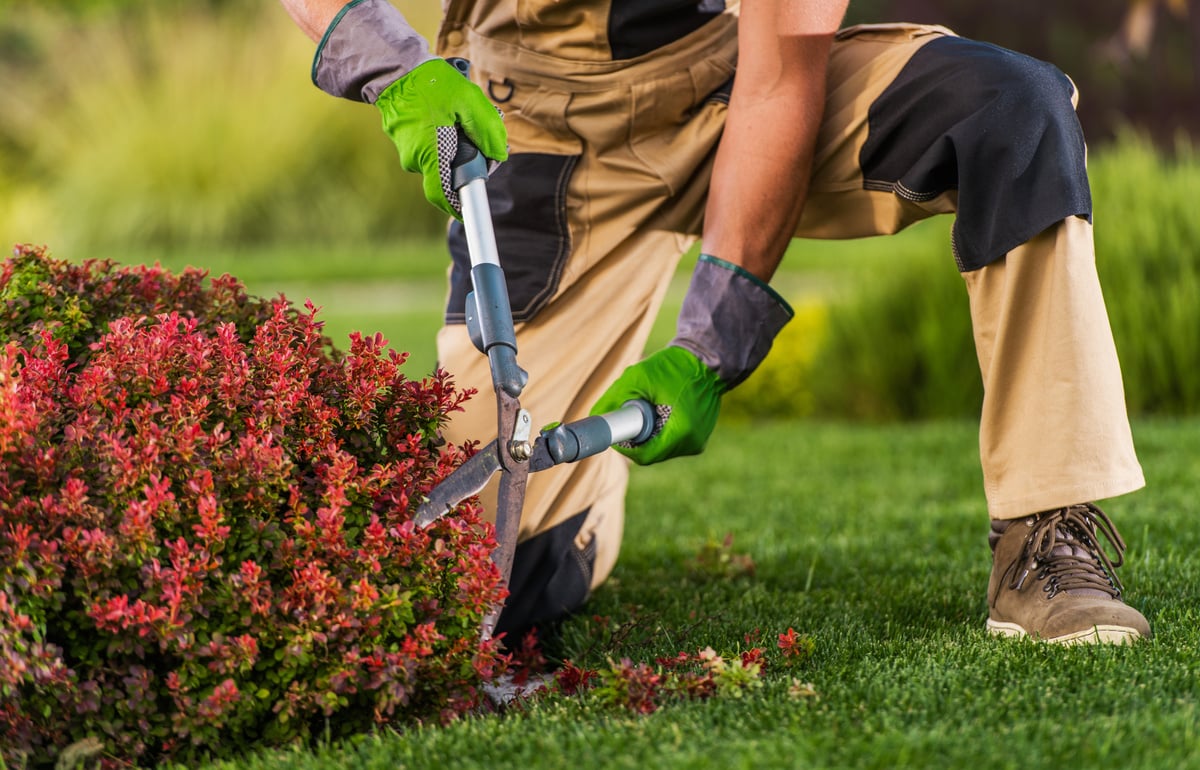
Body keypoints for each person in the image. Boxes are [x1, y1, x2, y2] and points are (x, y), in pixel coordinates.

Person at [278, 0, 1151, 646]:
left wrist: (708, 346)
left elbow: (779, 81)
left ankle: (1046, 535)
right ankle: (582, 502)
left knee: (1012, 111)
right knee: (494, 573)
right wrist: (398, 65)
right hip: (541, 127)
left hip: (734, 84)